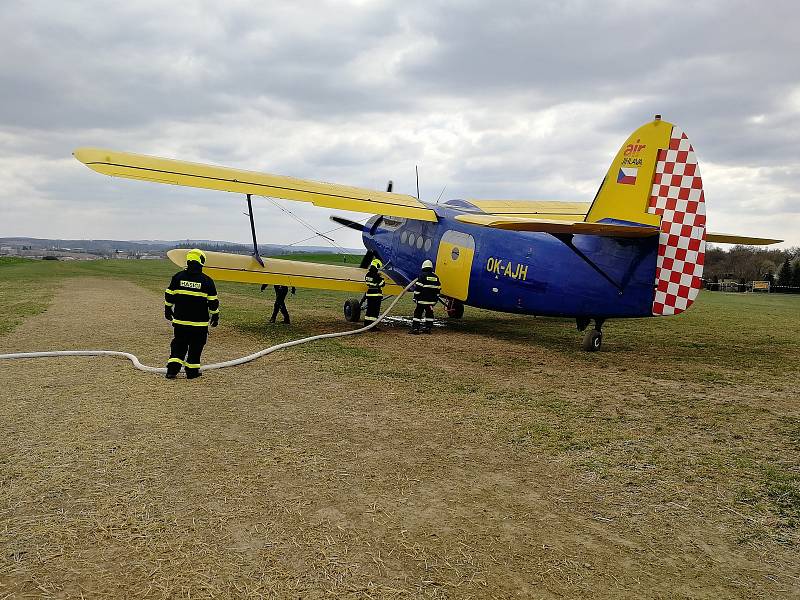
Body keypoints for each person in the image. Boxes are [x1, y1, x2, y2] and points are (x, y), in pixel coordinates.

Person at [164, 249, 219, 379]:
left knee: (178, 345)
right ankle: (192, 372)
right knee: (196, 346)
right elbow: (213, 302)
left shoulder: (178, 277)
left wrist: (167, 309)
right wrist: (215, 316)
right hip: (199, 324)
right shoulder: (207, 281)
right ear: (201, 262)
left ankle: (172, 371)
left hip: (180, 322)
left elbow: (169, 294)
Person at [410, 259, 441, 334]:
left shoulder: (422, 276)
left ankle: (415, 329)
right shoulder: (436, 277)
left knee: (418, 313)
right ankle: (428, 328)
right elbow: (438, 289)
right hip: (431, 301)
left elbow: (418, 288)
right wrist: (435, 300)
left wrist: (415, 297)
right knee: (429, 314)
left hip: (421, 300)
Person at [364, 258, 385, 329]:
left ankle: (366, 324)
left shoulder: (368, 274)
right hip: (376, 295)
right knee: (375, 311)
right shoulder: (376, 276)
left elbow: (368, 283)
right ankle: (373, 326)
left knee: (369, 310)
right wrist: (382, 279)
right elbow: (382, 284)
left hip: (369, 294)